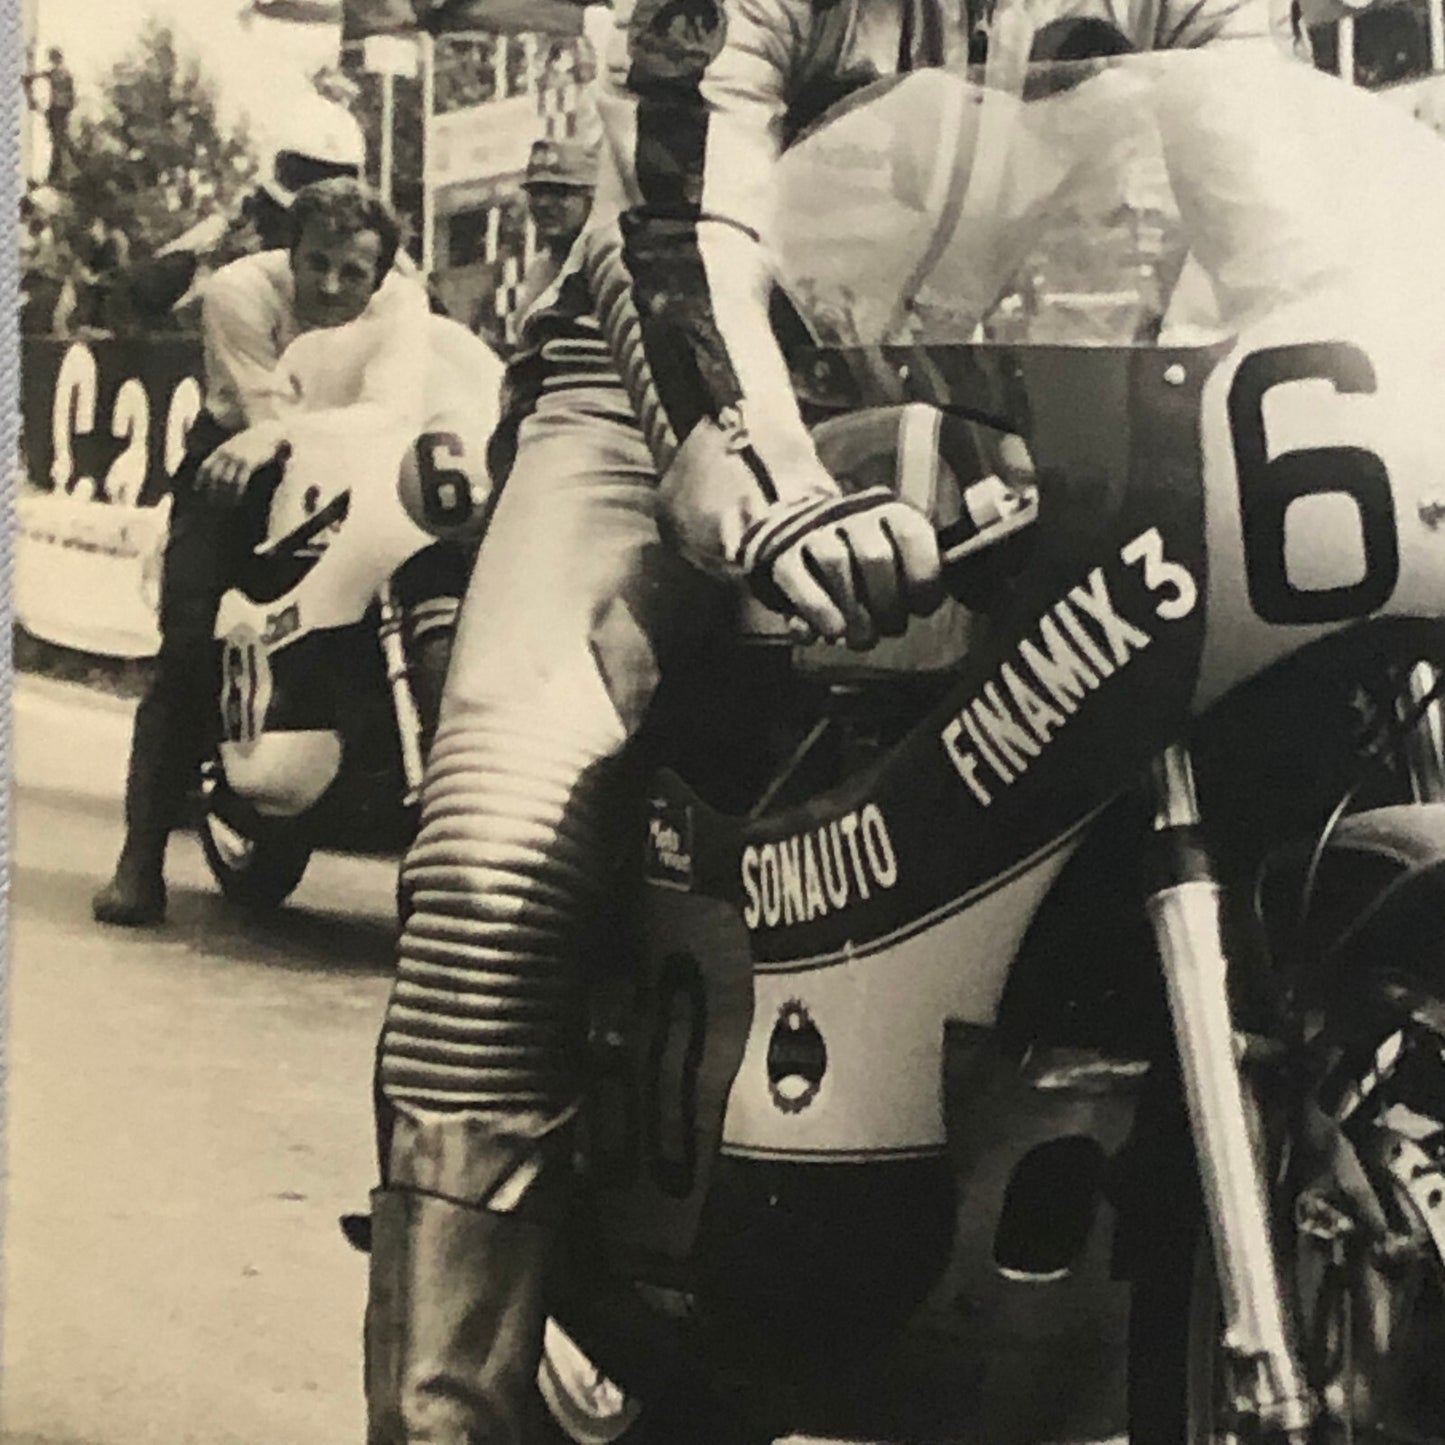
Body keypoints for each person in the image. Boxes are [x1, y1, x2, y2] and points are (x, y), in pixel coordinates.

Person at [363, 3, 1282, 1442]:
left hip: (1018, 388)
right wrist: (770, 480)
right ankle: (444, 1408)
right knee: (502, 826)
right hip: (655, 396)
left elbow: (1280, 208)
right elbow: (680, 229)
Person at [91, 178, 431, 928]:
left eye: (353, 272)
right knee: (189, 645)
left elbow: (396, 405)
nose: (331, 286)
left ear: (381, 273)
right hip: (238, 463)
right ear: (291, 251)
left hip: (359, 461)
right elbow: (261, 414)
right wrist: (276, 436)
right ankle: (140, 860)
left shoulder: (404, 304)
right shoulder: (238, 291)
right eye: (316, 264)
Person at [513, 137, 598, 323]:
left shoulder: (607, 261)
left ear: (591, 198)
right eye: (536, 193)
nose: (543, 203)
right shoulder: (540, 268)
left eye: (559, 192)